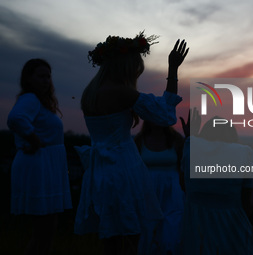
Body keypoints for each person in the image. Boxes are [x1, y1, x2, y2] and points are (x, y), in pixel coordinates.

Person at [73, 32, 189, 255]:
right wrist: (173, 69)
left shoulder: (90, 93)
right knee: (131, 239)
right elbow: (165, 115)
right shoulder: (121, 92)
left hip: (100, 171)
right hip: (124, 171)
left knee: (111, 240)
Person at [7, 58, 72, 255]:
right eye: (41, 76)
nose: (46, 81)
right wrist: (33, 139)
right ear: (29, 78)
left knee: (46, 230)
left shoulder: (38, 102)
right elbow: (15, 118)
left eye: (48, 76)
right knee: (44, 231)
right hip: (40, 167)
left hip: (46, 167)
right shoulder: (30, 99)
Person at [180, 109, 253, 254]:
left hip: (197, 232)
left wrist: (191, 137)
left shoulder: (190, 147)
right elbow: (249, 204)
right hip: (233, 231)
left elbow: (184, 185)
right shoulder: (245, 153)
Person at [134, 120, 185, 254]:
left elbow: (183, 167)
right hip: (147, 191)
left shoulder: (176, 140)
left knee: (172, 229)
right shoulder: (139, 140)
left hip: (172, 193)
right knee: (147, 229)